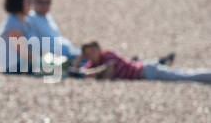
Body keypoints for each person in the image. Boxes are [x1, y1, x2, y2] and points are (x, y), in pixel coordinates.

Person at [78, 42, 208, 84]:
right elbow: (82, 72)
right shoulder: (94, 63)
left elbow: (108, 71)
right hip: (145, 69)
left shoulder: (107, 54)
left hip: (147, 71)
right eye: (88, 54)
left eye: (92, 52)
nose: (91, 56)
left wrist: (88, 74)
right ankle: (163, 62)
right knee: (180, 75)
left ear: (98, 49)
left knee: (183, 76)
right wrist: (79, 60)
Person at [24, 0, 79, 72]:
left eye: (48, 2)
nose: (45, 5)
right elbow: (31, 41)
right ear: (33, 2)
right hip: (56, 55)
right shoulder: (30, 18)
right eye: (41, 2)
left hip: (67, 50)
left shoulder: (48, 17)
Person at [0, 0, 35, 74]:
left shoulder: (25, 21)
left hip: (24, 62)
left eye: (31, 1)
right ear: (19, 4)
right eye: (28, 2)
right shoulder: (13, 23)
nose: (31, 5)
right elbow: (23, 51)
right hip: (13, 66)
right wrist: (43, 58)